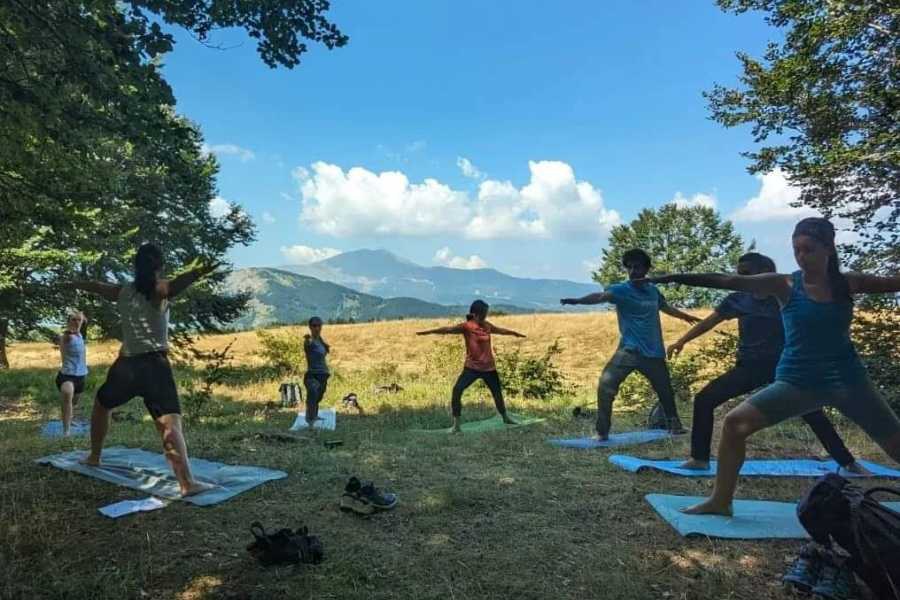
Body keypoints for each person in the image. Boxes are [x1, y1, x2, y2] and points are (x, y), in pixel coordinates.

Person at [647, 217, 900, 515]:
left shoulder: (847, 283)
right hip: (797, 382)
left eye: (808, 249)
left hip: (850, 382)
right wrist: (675, 276)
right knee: (734, 424)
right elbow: (729, 281)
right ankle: (720, 501)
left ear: (829, 248)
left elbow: (892, 282)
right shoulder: (784, 284)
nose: (801, 257)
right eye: (796, 250)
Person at [667, 252, 868, 474]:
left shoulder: (785, 295)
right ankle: (699, 459)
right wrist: (681, 341)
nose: (740, 278)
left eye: (746, 274)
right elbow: (708, 323)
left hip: (786, 369)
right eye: (738, 274)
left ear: (764, 273)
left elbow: (814, 320)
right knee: (704, 399)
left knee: (813, 412)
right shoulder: (737, 300)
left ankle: (848, 462)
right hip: (749, 367)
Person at [67, 243, 219, 497]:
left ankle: (94, 457)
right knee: (169, 424)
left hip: (125, 365)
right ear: (159, 266)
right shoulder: (158, 290)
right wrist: (200, 271)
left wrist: (75, 283)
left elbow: (97, 286)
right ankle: (187, 484)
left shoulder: (123, 291)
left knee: (102, 404)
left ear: (135, 266)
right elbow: (175, 286)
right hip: (153, 367)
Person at [560, 248, 700, 440]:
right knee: (606, 386)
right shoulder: (621, 290)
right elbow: (600, 297)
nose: (634, 271)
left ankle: (675, 426)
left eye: (638, 267)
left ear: (647, 268)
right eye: (630, 267)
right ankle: (602, 432)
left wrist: (685, 316)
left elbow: (665, 307)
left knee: (665, 391)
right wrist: (577, 301)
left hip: (654, 353)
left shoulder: (653, 291)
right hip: (629, 351)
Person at [417, 300, 526, 433]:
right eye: (483, 314)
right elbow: (447, 330)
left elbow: (501, 330)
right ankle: (456, 425)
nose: (485, 317)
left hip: (489, 368)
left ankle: (505, 417)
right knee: (457, 390)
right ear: (474, 314)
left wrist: (515, 333)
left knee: (497, 393)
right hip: (472, 368)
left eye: (486, 314)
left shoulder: (487, 326)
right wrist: (427, 332)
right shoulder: (466, 327)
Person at [56, 310, 88, 436]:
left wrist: (82, 317)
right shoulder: (67, 336)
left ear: (82, 321)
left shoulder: (80, 336)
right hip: (66, 376)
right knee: (67, 394)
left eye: (78, 320)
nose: (76, 322)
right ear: (69, 321)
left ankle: (69, 418)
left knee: (73, 402)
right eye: (73, 320)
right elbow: (66, 336)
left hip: (81, 376)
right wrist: (68, 331)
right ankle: (66, 431)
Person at [303, 316, 330, 426]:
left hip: (323, 375)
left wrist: (325, 346)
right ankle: (310, 419)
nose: (317, 328)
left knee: (319, 397)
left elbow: (323, 348)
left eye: (319, 325)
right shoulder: (309, 341)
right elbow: (307, 344)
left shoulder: (320, 340)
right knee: (313, 394)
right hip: (312, 375)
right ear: (310, 327)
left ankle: (314, 415)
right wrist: (307, 339)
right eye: (314, 325)